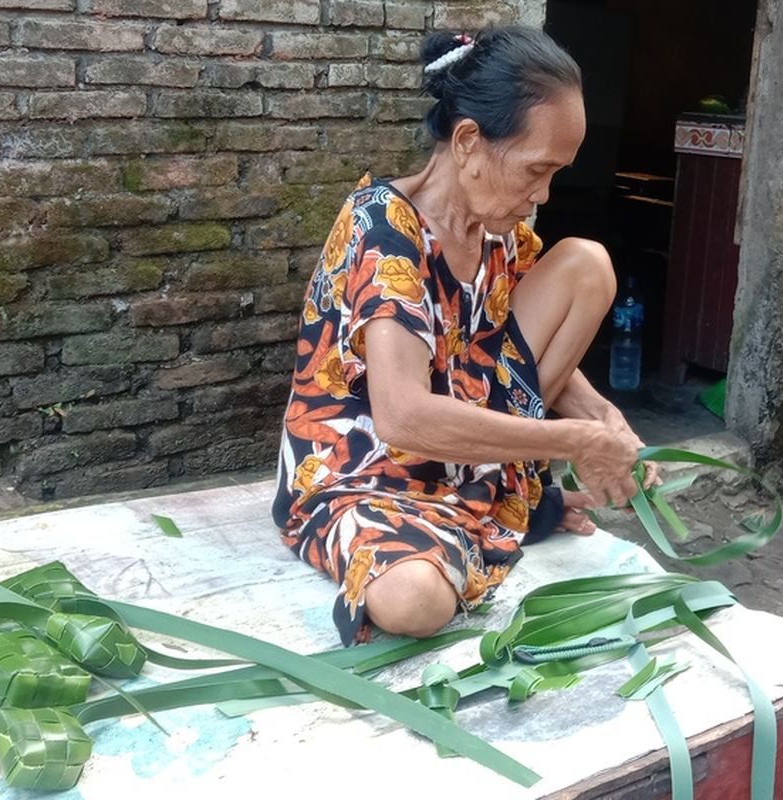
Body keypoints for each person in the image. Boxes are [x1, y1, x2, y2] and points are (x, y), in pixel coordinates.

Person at [272, 27, 653, 647]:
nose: (542, 195)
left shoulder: (498, 231)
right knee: (414, 602)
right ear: (469, 141)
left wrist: (605, 423)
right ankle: (485, 508)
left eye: (554, 174)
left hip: (459, 456)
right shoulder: (385, 232)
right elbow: (402, 416)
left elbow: (511, 346)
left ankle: (494, 494)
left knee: (587, 264)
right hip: (367, 472)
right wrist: (572, 440)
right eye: (536, 170)